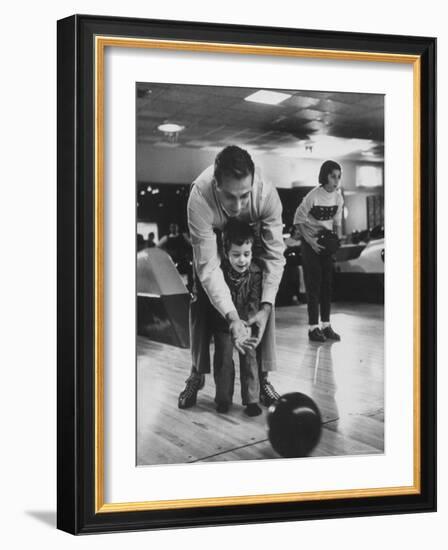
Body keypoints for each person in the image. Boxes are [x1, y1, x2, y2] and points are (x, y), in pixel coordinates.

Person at [178, 145, 286, 409]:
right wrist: (232, 317)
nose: (237, 206)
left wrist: (265, 307)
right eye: (230, 197)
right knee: (200, 299)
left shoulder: (267, 195)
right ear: (216, 185)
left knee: (264, 301)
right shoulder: (199, 197)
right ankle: (196, 374)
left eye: (244, 196)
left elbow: (274, 257)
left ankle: (263, 380)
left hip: (247, 243)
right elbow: (208, 268)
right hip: (216, 248)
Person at [210, 219, 263, 417]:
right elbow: (217, 299)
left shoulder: (255, 273)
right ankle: (223, 399)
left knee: (250, 357)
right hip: (224, 324)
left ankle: (252, 400)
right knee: (223, 359)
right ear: (226, 253)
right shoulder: (219, 272)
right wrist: (231, 322)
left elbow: (254, 301)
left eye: (246, 255)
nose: (242, 260)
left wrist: (247, 324)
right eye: (236, 255)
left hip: (246, 324)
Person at [293, 160, 344, 343]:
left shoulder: (338, 198)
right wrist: (310, 242)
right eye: (333, 176)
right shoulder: (312, 196)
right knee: (313, 285)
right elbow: (298, 220)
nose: (336, 180)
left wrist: (335, 244)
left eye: (338, 177)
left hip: (325, 242)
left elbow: (337, 224)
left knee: (327, 286)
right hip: (310, 243)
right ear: (325, 176)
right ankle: (313, 328)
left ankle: (326, 325)